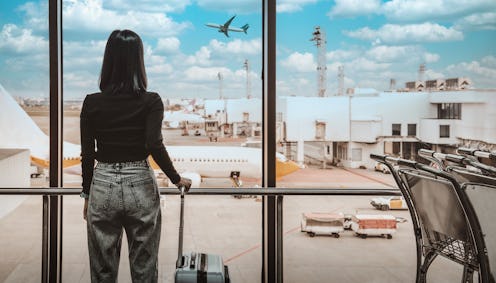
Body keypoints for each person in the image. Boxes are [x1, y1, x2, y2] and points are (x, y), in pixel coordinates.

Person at [80, 29, 191, 283]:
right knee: (144, 269)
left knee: (102, 272)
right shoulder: (151, 101)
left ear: (107, 60)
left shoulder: (91, 102)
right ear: (139, 61)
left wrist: (87, 194)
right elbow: (154, 144)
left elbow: (87, 154)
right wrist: (176, 179)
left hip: (103, 182)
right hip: (140, 182)